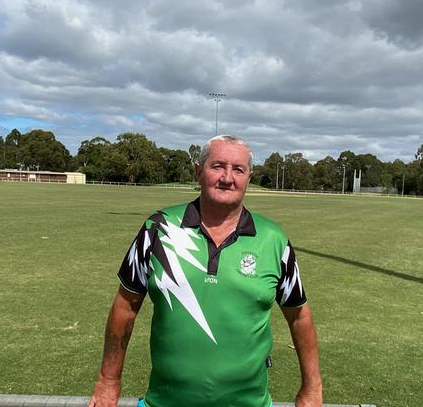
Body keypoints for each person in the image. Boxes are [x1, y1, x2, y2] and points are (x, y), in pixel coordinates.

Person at [89, 135, 322, 407]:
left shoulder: (273, 239)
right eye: (217, 166)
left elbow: (299, 316)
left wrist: (312, 387)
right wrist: (108, 381)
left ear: (248, 177)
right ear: (198, 171)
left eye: (238, 169)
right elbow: (125, 306)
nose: (227, 177)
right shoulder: (158, 229)